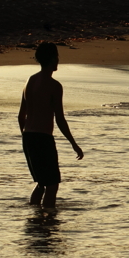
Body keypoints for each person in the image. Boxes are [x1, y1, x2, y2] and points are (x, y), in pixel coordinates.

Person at [18, 42, 84, 208]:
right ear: (53, 58)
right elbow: (59, 119)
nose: (58, 61)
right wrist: (74, 144)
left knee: (42, 183)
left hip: (28, 137)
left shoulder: (29, 81)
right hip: (43, 139)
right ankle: (49, 222)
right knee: (52, 185)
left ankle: (35, 219)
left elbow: (21, 116)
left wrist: (26, 137)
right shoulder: (54, 86)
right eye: (57, 57)